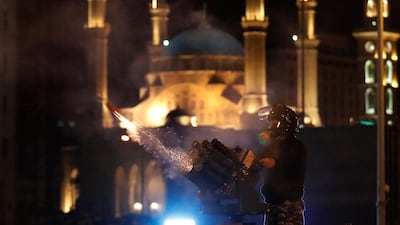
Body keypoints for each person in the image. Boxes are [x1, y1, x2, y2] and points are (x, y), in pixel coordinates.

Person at [256, 103, 307, 225]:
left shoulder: (296, 146)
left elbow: (286, 161)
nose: (271, 125)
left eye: (275, 122)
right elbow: (258, 158)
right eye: (271, 122)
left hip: (288, 207)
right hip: (272, 205)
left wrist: (274, 162)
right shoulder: (273, 145)